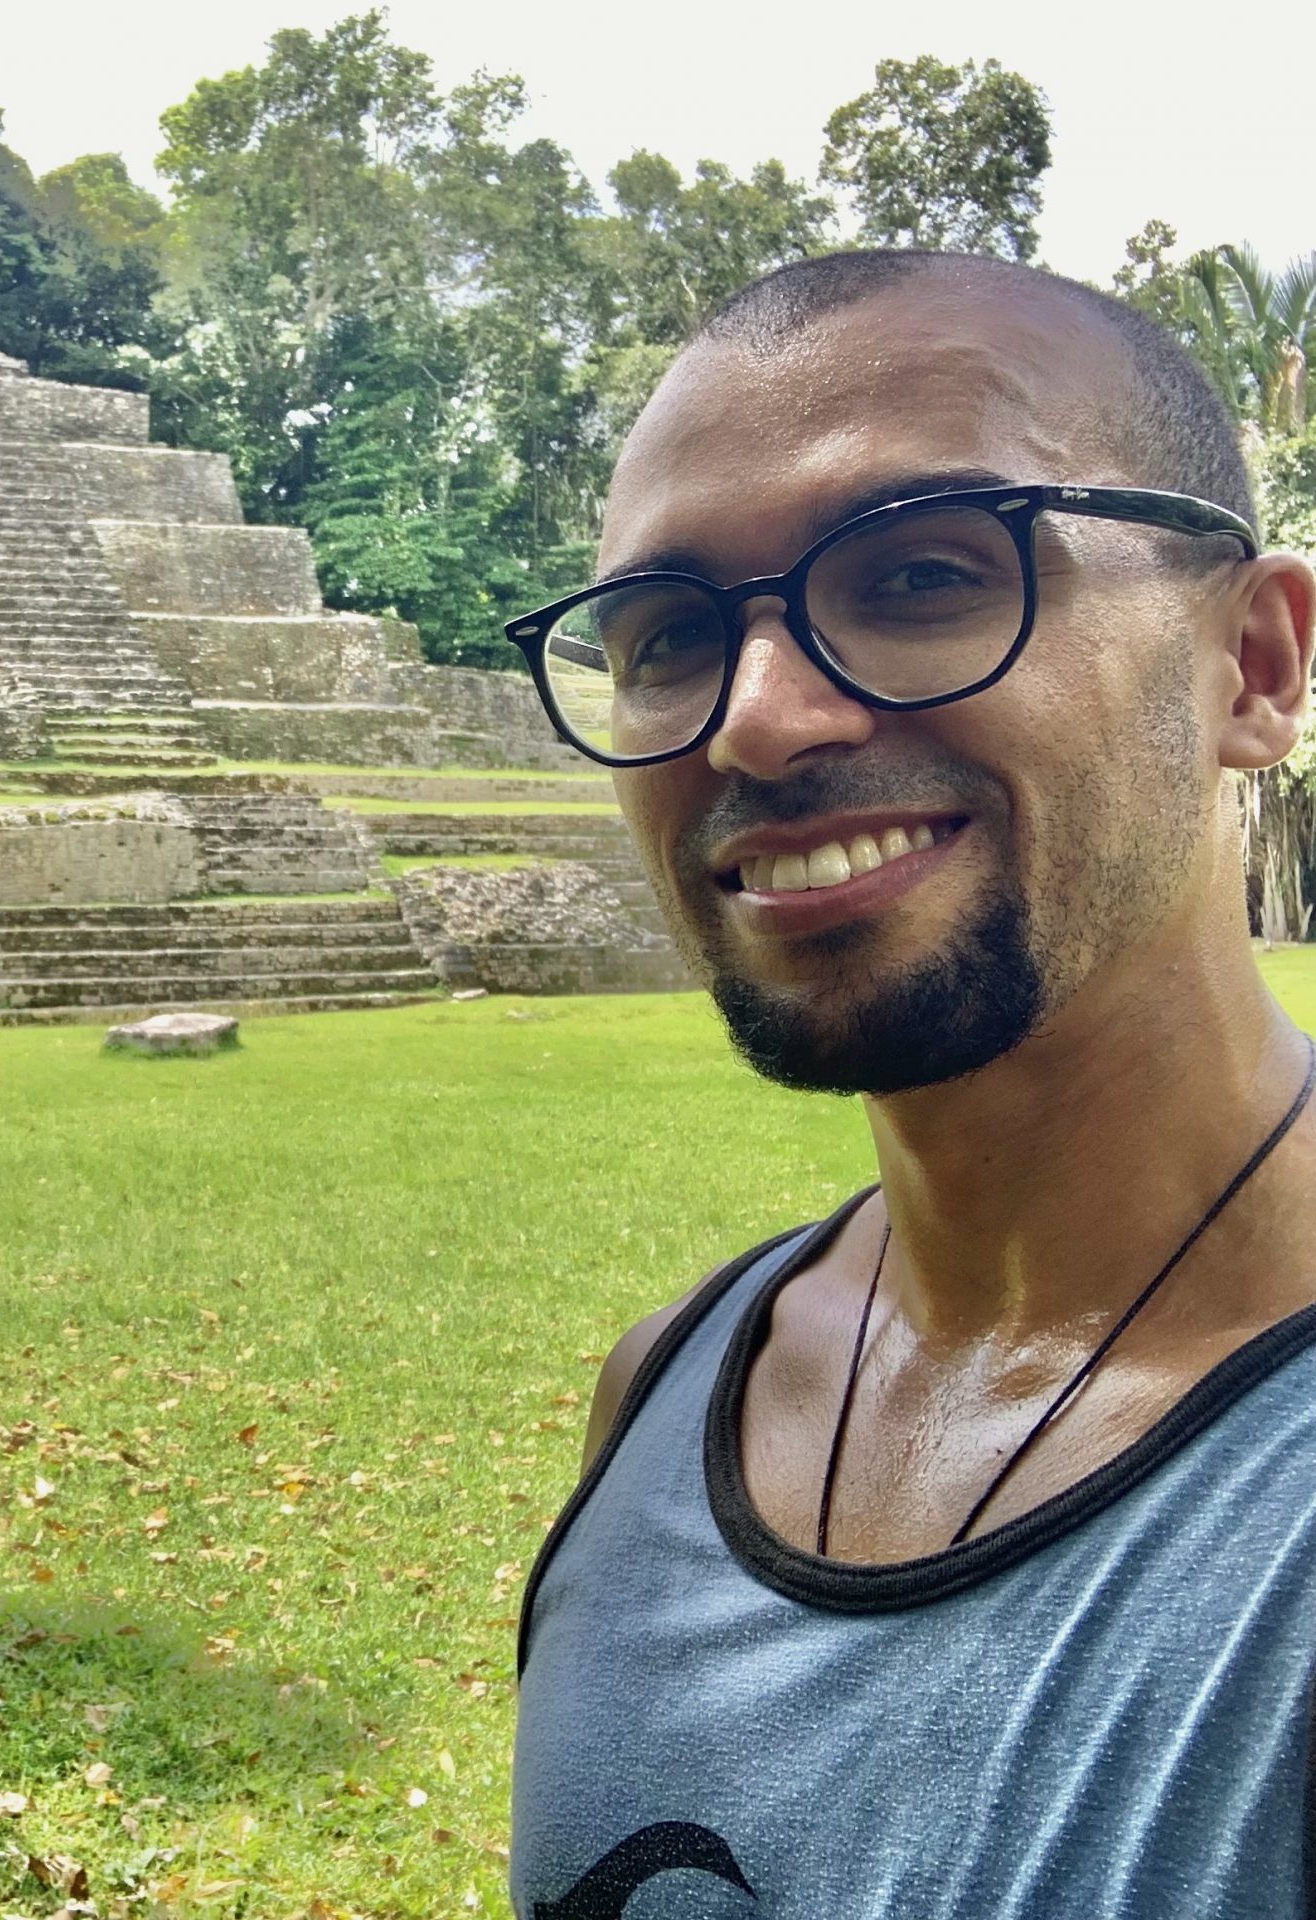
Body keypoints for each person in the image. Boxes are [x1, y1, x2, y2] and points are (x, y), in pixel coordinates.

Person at [504, 249, 1316, 1919]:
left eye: (928, 573)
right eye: (665, 634)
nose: (759, 720)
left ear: (1255, 668)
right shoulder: (661, 1400)